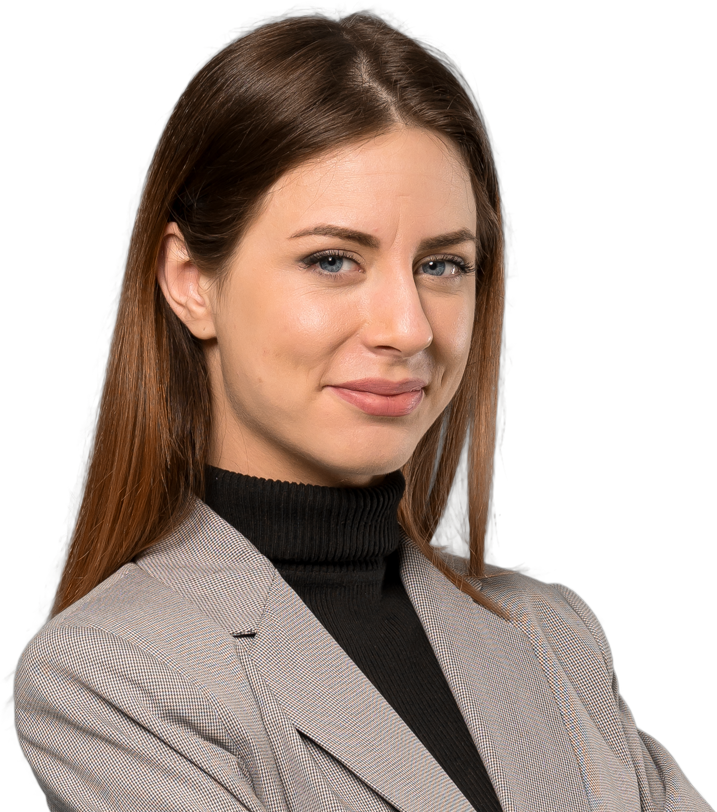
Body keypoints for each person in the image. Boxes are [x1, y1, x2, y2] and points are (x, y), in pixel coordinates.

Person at [9, 6, 713, 811]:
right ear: (191, 282)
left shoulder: (553, 634)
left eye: (442, 265)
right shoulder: (112, 675)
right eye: (333, 260)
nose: (408, 328)